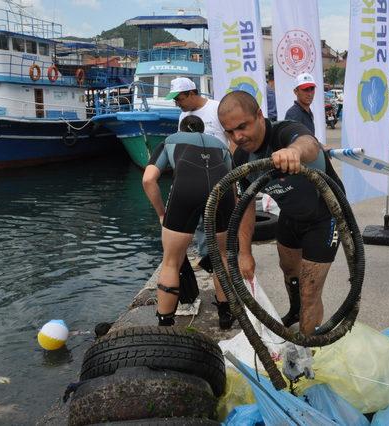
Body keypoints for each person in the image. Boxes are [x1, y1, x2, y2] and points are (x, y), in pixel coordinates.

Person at [218, 90, 344, 335]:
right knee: (288, 271)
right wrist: (245, 253)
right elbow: (245, 206)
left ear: (259, 115)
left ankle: (308, 352)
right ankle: (296, 311)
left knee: (310, 291)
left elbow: (309, 144)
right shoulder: (242, 156)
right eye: (230, 131)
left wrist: (293, 152)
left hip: (324, 216)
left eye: (242, 126)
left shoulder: (285, 132)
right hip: (290, 215)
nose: (238, 136)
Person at [142, 115, 236, 329]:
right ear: (204, 130)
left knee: (171, 262)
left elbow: (148, 179)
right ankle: (225, 314)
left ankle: (165, 324)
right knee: (221, 257)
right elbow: (233, 183)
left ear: (181, 129)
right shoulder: (221, 145)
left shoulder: (170, 140)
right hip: (223, 192)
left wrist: (162, 213)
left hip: (186, 190)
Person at [166, 77, 229, 270]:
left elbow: (231, 137)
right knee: (200, 220)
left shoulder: (217, 108)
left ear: (192, 93)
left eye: (179, 99)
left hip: (219, 172)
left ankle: (225, 256)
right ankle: (205, 258)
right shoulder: (183, 117)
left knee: (221, 218)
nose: (177, 104)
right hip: (194, 176)